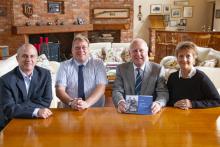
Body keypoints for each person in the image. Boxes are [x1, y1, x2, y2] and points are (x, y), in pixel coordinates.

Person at [0, 44, 53, 129]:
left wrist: (19, 106)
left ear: (36, 59)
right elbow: (9, 109)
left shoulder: (45, 74)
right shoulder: (5, 80)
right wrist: (36, 111)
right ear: (17, 59)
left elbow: (47, 100)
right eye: (24, 56)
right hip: (12, 123)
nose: (29, 59)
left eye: (32, 56)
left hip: (38, 122)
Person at [112, 38, 169, 114]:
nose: (138, 54)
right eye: (135, 51)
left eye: (141, 50)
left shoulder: (157, 69)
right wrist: (120, 102)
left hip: (150, 112)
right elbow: (117, 90)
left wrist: (158, 103)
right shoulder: (121, 69)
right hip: (127, 112)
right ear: (130, 53)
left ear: (147, 52)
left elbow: (163, 92)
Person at [55, 34, 107, 110]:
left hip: (95, 109)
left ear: (88, 50)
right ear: (72, 50)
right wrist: (72, 102)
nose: (81, 50)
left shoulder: (98, 64)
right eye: (77, 48)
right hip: (71, 109)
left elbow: (101, 87)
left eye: (84, 47)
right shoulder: (64, 66)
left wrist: (86, 103)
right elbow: (59, 90)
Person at [167, 41, 220, 109]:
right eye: (181, 56)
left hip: (197, 117)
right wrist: (174, 103)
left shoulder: (201, 77)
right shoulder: (172, 77)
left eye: (188, 56)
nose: (184, 59)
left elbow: (217, 101)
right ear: (177, 59)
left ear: (194, 59)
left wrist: (192, 104)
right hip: (176, 116)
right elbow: (167, 99)